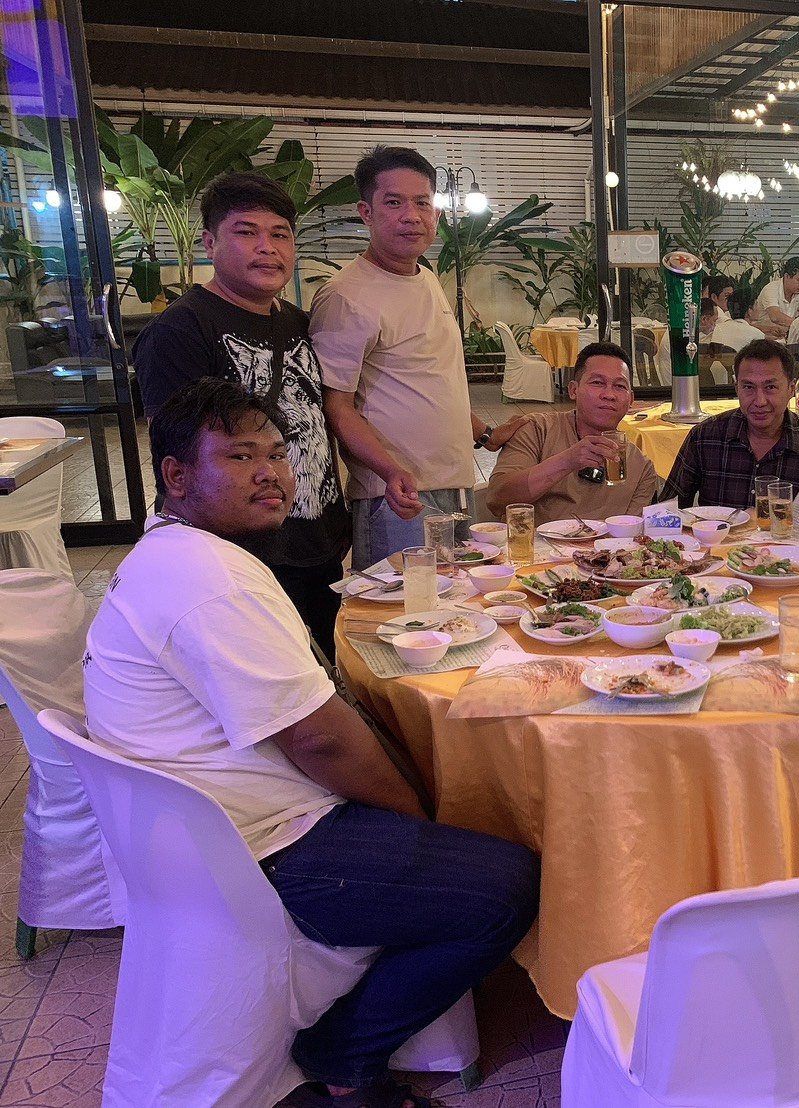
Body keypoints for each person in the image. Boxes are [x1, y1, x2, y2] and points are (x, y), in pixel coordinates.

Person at [83, 378, 539, 1108]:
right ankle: (344, 1053)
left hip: (204, 831)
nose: (271, 472)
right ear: (176, 476)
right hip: (258, 851)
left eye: (276, 453)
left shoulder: (174, 555)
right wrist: (416, 817)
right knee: (510, 884)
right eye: (239, 456)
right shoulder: (211, 580)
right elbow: (321, 740)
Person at [132, 171, 350, 659]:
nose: (267, 248)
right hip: (238, 559)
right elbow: (179, 454)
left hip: (314, 542)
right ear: (209, 242)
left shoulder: (297, 322)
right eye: (246, 232)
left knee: (322, 667)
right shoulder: (179, 331)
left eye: (280, 234)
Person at [310, 146, 526, 569]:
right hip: (396, 497)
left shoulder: (424, 277)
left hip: (455, 485)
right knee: (405, 606)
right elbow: (337, 407)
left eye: (422, 202)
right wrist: (390, 471)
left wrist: (485, 434)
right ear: (366, 212)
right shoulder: (346, 296)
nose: (411, 216)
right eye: (394, 203)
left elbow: (432, 377)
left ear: (436, 213)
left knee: (457, 602)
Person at [484, 342, 659, 520]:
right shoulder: (537, 429)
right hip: (535, 538)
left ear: (631, 399)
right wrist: (567, 461)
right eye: (597, 383)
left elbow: (632, 532)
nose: (609, 395)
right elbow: (496, 499)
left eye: (620, 386)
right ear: (573, 390)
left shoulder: (642, 469)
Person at [661, 338, 799, 509]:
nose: (760, 401)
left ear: (791, 389)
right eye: (748, 387)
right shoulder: (704, 437)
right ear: (737, 388)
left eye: (770, 387)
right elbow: (665, 512)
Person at [755, 256, 799, 338]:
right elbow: (775, 317)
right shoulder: (771, 288)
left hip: (786, 338)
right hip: (767, 339)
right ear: (787, 276)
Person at [711, 287, 767, 351]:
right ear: (749, 310)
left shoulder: (717, 328)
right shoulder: (757, 335)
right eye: (756, 304)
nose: (759, 308)